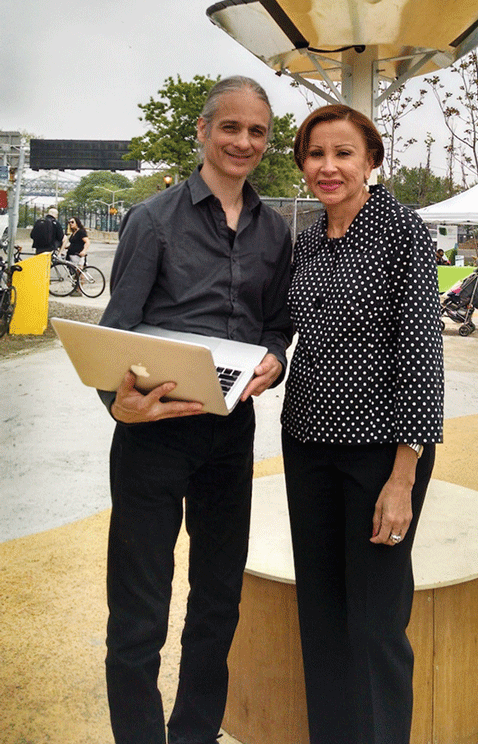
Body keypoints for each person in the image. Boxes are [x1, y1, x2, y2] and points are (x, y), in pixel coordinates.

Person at [98, 76, 293, 744]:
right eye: (231, 127)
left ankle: (194, 735)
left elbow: (276, 325)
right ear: (204, 132)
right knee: (139, 614)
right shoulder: (153, 220)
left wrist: (276, 357)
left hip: (229, 438)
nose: (244, 141)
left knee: (218, 605)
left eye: (257, 131)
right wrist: (117, 404)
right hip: (153, 439)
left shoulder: (275, 230)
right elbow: (116, 330)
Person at [281, 104, 444, 744]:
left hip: (382, 455)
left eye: (343, 153)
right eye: (316, 154)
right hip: (307, 445)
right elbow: (286, 328)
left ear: (371, 161)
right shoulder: (310, 239)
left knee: (375, 622)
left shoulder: (402, 232)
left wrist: (404, 476)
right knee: (320, 612)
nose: (328, 167)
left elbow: (420, 357)